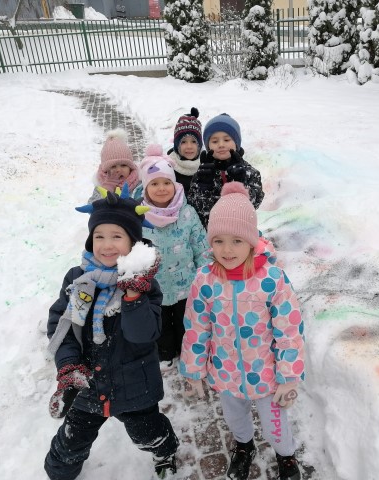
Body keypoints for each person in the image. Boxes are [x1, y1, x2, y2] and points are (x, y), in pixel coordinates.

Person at [44, 186, 179, 480]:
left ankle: (165, 453)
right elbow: (63, 326)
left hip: (135, 388)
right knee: (69, 444)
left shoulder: (146, 285)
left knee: (149, 434)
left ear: (133, 243)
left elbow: (143, 334)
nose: (106, 245)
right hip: (86, 387)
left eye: (116, 236)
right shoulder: (78, 279)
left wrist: (133, 295)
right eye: (99, 236)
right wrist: (69, 367)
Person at [179, 182, 304, 480]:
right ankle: (244, 446)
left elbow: (289, 331)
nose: (227, 249)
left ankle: (285, 455)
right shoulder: (205, 280)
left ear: (251, 241)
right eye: (219, 241)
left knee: (275, 425)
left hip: (267, 375)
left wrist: (288, 377)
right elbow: (197, 328)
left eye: (237, 240)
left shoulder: (272, 280)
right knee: (235, 418)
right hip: (225, 371)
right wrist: (194, 370)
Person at [139, 144, 210, 370]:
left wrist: (204, 277)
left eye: (166, 182)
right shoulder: (139, 217)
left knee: (186, 323)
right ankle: (165, 353)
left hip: (187, 285)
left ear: (175, 184)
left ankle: (185, 350)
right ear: (145, 188)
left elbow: (201, 246)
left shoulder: (187, 213)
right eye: (154, 184)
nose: (161, 188)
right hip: (155, 288)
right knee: (160, 325)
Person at [188, 113, 265, 228]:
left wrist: (241, 184)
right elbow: (196, 209)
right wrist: (204, 188)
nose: (221, 145)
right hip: (212, 233)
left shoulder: (249, 172)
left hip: (240, 232)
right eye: (215, 141)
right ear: (208, 146)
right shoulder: (202, 174)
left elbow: (255, 203)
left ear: (236, 143)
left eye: (227, 140)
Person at [87, 129, 140, 204]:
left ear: (130, 167)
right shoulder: (101, 184)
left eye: (123, 165)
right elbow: (92, 206)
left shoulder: (137, 184)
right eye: (113, 166)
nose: (118, 170)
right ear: (105, 170)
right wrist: (107, 188)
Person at [167, 107, 203, 195]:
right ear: (176, 144)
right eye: (183, 142)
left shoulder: (206, 165)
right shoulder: (168, 166)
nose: (189, 146)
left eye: (194, 141)